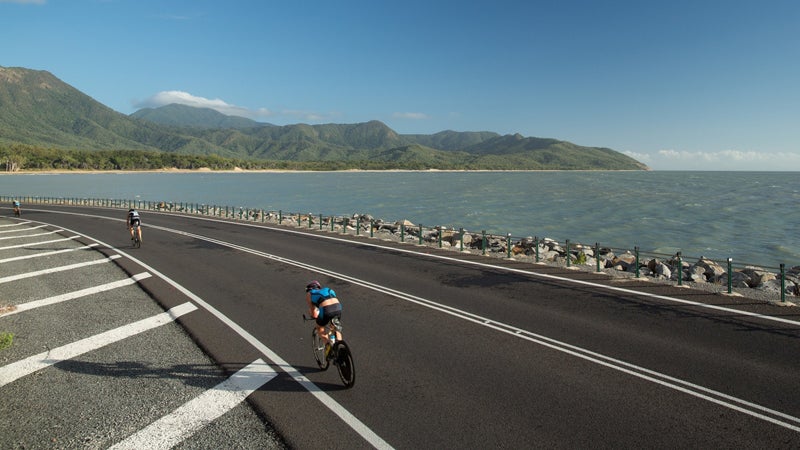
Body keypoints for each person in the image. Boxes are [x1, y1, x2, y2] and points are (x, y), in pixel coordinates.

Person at [305, 280, 342, 357]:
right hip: (338, 307)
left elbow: (314, 313)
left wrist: (314, 316)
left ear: (309, 289)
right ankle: (340, 347)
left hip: (326, 309)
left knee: (319, 328)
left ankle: (328, 345)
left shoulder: (310, 294)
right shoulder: (328, 289)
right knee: (335, 328)